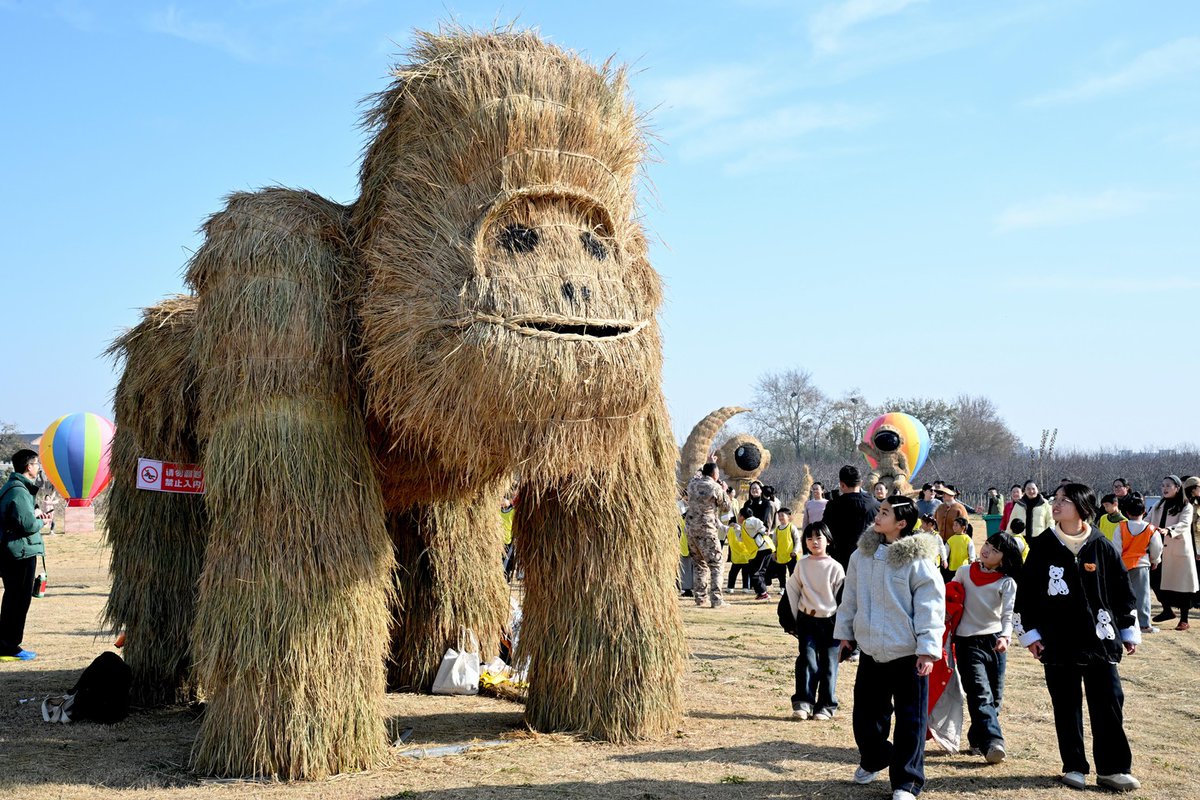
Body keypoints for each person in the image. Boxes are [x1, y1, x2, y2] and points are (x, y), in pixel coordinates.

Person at [1016, 483, 1140, 792]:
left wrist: (1127, 629)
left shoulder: (1101, 545)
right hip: (1058, 640)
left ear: (1083, 507)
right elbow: (1027, 594)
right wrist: (1030, 633)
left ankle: (1113, 769)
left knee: (1109, 701)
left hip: (1100, 638)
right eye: (1055, 500)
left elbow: (1122, 591)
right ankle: (1074, 766)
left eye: (1064, 501)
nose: (1056, 505)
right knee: (1066, 704)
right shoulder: (1043, 545)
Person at [835, 496, 945, 800]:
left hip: (909, 654)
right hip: (871, 650)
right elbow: (850, 598)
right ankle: (874, 758)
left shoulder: (918, 560)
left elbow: (931, 607)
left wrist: (927, 649)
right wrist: (846, 635)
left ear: (901, 523)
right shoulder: (862, 554)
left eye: (885, 513)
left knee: (911, 720)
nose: (877, 516)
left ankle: (906, 782)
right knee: (866, 718)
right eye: (879, 510)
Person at [951, 533, 1022, 764]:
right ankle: (994, 742)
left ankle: (976, 738)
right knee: (980, 693)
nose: (987, 550)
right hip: (966, 641)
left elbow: (1007, 614)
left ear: (1004, 559)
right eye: (987, 545)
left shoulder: (1006, 582)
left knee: (995, 697)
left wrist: (1005, 637)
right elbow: (950, 600)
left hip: (994, 642)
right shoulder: (963, 573)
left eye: (995, 550)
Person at [781, 522, 844, 721]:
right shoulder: (802, 564)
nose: (814, 542)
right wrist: (790, 620)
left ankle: (826, 706)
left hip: (830, 623)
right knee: (807, 660)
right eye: (809, 538)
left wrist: (845, 629)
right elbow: (792, 591)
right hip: (807, 620)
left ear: (828, 540)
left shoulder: (835, 567)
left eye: (819, 538)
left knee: (829, 665)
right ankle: (803, 703)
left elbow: (842, 599)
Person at [0, 449, 50, 662]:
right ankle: (10, 647)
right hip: (19, 553)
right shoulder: (19, 491)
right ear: (28, 467)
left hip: (16, 551)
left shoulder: (14, 488)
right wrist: (42, 521)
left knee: (14, 598)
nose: (38, 467)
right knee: (18, 600)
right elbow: (28, 524)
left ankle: (7, 644)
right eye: (36, 464)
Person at [1111, 496, 1163, 633]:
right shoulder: (1150, 529)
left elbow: (1116, 547)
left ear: (1127, 512)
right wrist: (1155, 560)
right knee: (1143, 595)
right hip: (1141, 565)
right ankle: (1144, 624)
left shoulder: (1121, 527)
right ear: (1144, 511)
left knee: (1122, 595)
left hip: (1123, 565)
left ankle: (1121, 621)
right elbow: (1157, 547)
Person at [1152, 475, 1197, 629]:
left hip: (1178, 550)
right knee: (1155, 580)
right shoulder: (1158, 505)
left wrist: (1169, 530)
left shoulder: (1186, 506)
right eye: (1163, 485)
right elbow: (1147, 520)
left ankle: (1184, 619)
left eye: (1168, 485)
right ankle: (1167, 610)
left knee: (1182, 585)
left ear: (1177, 488)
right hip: (1159, 549)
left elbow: (1184, 524)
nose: (1164, 488)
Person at [685, 462, 731, 609]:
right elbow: (726, 507)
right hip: (707, 530)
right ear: (715, 474)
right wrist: (724, 491)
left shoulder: (692, 485)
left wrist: (706, 462)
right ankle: (716, 599)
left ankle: (700, 598)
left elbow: (696, 476)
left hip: (691, 529)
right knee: (716, 564)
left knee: (699, 565)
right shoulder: (715, 487)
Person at [823, 465, 879, 573]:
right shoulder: (876, 505)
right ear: (861, 483)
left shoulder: (833, 506)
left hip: (840, 562)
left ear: (842, 484)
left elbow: (825, 532)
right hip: (869, 560)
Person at [738, 506, 775, 600]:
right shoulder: (745, 525)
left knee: (754, 572)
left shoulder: (750, 520)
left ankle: (763, 593)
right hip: (765, 548)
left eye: (739, 515)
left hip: (762, 548)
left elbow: (761, 526)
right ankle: (762, 592)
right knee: (760, 571)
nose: (738, 517)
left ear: (742, 516)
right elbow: (741, 538)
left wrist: (763, 531)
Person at [768, 507, 799, 590]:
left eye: (782, 515)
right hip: (780, 556)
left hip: (791, 555)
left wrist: (795, 551)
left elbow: (797, 540)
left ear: (788, 517)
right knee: (781, 573)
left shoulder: (791, 527)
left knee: (792, 573)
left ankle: (793, 588)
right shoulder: (777, 529)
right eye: (779, 516)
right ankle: (782, 588)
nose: (780, 518)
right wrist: (774, 553)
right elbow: (774, 542)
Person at [944, 517, 976, 582]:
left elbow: (971, 550)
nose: (954, 527)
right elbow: (945, 551)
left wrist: (972, 559)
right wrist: (944, 559)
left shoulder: (967, 539)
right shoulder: (951, 539)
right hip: (952, 567)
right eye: (953, 525)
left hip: (964, 566)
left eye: (956, 525)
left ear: (963, 527)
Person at [726, 516, 753, 593]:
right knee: (746, 573)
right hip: (746, 556)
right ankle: (746, 588)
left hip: (736, 557)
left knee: (733, 573)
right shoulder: (745, 529)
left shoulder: (730, 530)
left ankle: (730, 587)